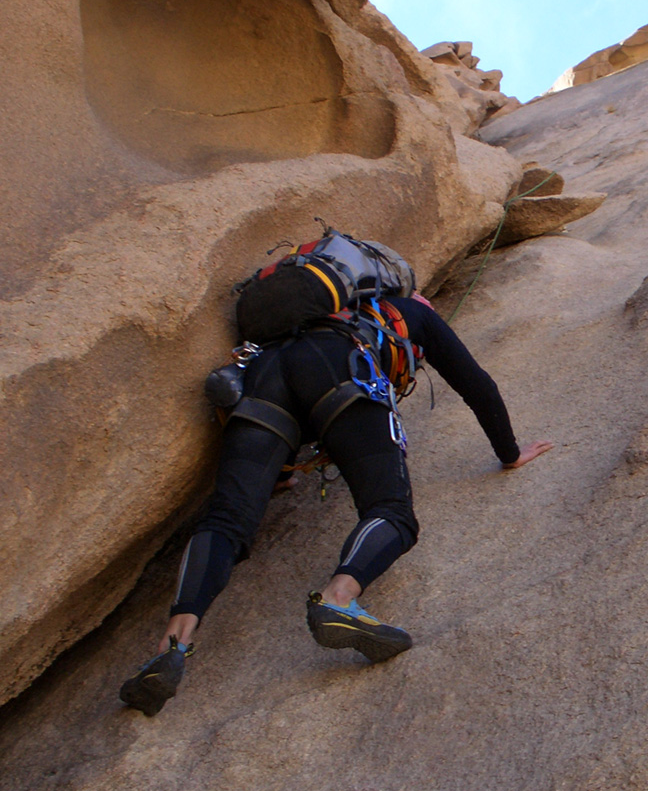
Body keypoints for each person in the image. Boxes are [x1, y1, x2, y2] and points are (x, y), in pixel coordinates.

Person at [119, 261, 552, 716]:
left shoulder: (273, 338)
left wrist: (279, 473)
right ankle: (338, 599)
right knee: (390, 510)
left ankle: (172, 643)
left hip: (261, 379)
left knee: (225, 521)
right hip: (343, 369)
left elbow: (283, 421)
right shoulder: (408, 311)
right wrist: (509, 452)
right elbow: (476, 384)